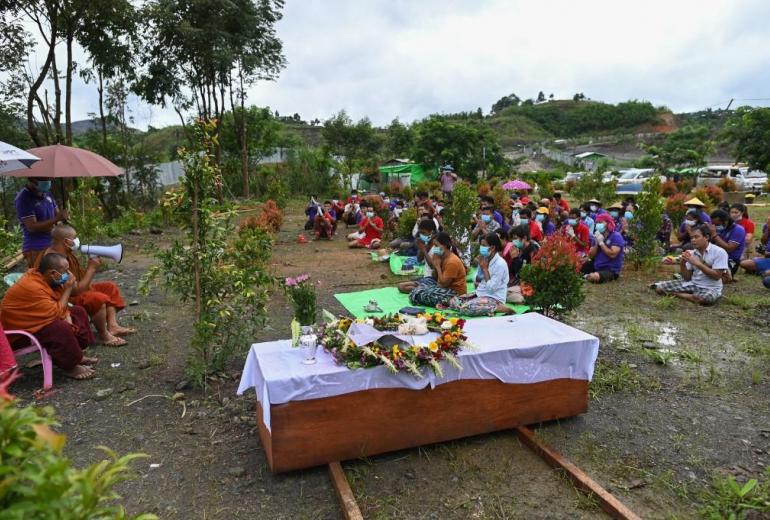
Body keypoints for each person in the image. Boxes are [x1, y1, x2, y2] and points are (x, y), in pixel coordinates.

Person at [0, 253, 97, 380]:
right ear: (52, 273)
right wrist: (67, 289)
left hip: (39, 320)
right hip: (18, 334)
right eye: (65, 271)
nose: (68, 274)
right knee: (59, 328)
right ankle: (70, 366)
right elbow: (56, 312)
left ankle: (78, 355)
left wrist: (66, 312)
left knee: (78, 311)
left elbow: (58, 306)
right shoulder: (32, 286)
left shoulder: (44, 277)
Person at [39, 224, 134, 346]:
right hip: (65, 296)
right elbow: (75, 290)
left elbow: (78, 277)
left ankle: (113, 326)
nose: (77, 240)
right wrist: (91, 269)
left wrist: (90, 268)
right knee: (96, 299)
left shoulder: (66, 252)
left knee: (109, 287)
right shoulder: (54, 260)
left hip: (75, 288)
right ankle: (104, 335)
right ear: (67, 241)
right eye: (75, 238)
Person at [650, 225, 728, 305]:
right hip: (693, 284)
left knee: (703, 299)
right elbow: (687, 278)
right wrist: (682, 263)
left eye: (696, 237)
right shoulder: (692, 253)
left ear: (706, 237)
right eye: (691, 238)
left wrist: (698, 264)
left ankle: (677, 294)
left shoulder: (719, 252)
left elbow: (717, 276)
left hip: (710, 288)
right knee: (659, 289)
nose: (693, 240)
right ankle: (690, 295)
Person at [444, 233, 510, 316]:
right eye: (481, 245)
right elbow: (476, 279)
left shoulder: (500, 264)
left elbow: (492, 288)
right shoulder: (485, 258)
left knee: (466, 308)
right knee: (453, 301)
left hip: (494, 297)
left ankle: (498, 308)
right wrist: (481, 267)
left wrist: (485, 269)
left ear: (492, 248)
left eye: (484, 245)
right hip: (480, 294)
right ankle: (485, 309)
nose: (481, 248)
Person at [15, 177, 69, 266]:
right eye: (44, 179)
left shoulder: (47, 193)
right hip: (37, 247)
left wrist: (62, 217)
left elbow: (57, 214)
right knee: (41, 277)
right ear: (32, 179)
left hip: (53, 242)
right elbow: (32, 227)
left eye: (49, 179)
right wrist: (56, 219)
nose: (48, 182)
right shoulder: (23, 198)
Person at [408, 232, 467, 307]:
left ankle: (450, 303)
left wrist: (438, 266)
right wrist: (436, 266)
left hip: (456, 293)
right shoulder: (440, 256)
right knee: (417, 291)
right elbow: (435, 277)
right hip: (444, 287)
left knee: (419, 294)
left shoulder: (452, 261)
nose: (434, 248)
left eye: (436, 245)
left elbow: (443, 284)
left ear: (444, 245)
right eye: (434, 246)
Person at [397, 219, 438, 294]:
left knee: (402, 286)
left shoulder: (438, 246)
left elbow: (433, 266)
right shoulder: (427, 242)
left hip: (433, 279)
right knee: (409, 281)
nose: (421, 235)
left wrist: (424, 250)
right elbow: (419, 259)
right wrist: (422, 248)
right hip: (426, 276)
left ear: (431, 232)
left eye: (423, 233)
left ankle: (427, 290)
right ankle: (424, 289)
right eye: (420, 233)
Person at [582, 213, 625, 283]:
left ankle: (588, 276)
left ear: (608, 223)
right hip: (597, 266)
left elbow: (612, 254)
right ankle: (587, 275)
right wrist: (597, 242)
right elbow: (591, 255)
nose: (598, 224)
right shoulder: (598, 235)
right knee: (577, 268)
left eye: (600, 222)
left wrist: (601, 243)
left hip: (610, 269)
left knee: (594, 277)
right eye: (597, 223)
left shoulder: (616, 236)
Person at [709, 209, 745, 276]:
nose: (715, 226)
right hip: (716, 258)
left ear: (725, 221)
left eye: (717, 224)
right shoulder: (722, 229)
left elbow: (729, 248)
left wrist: (714, 234)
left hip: (730, 260)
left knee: (715, 275)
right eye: (713, 224)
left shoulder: (738, 230)